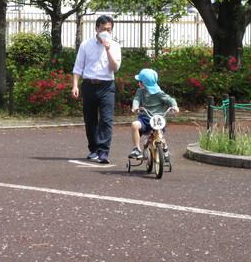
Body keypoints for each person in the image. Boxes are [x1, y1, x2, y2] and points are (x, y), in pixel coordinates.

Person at [71, 15, 122, 163]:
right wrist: (75, 84)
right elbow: (78, 66)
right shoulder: (86, 44)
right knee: (90, 119)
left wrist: (108, 50)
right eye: (103, 29)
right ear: (96, 29)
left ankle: (104, 151)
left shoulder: (115, 46)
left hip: (107, 85)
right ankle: (94, 149)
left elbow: (115, 68)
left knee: (106, 119)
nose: (106, 32)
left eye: (109, 29)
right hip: (88, 85)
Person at [128, 68, 179, 162]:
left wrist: (174, 106)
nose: (138, 83)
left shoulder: (159, 93)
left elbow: (170, 99)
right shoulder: (140, 91)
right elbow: (136, 99)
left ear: (143, 83)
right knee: (135, 125)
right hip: (145, 117)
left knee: (159, 134)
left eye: (139, 81)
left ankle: (165, 149)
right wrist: (135, 106)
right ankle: (136, 149)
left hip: (158, 119)